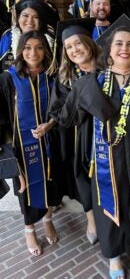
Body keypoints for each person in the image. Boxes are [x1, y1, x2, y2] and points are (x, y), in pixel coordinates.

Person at [50, 14, 130, 279]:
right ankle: (114, 257)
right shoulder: (92, 82)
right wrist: (75, 94)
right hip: (105, 162)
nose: (124, 49)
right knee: (108, 209)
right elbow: (66, 118)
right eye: (118, 43)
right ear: (108, 50)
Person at [0, 30, 60, 257]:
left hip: (50, 142)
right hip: (20, 148)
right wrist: (9, 154)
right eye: (27, 48)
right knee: (25, 189)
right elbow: (2, 119)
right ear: (20, 51)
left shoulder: (51, 76)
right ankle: (29, 229)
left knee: (51, 181)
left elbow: (61, 109)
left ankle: (47, 219)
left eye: (38, 47)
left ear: (46, 50)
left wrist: (50, 125)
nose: (32, 52)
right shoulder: (8, 78)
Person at [48, 17, 100, 245]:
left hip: (107, 132)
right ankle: (91, 218)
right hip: (79, 137)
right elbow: (59, 113)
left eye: (78, 43)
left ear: (89, 42)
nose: (74, 50)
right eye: (68, 47)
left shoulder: (109, 68)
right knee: (83, 176)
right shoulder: (65, 78)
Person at [0, 0, 57, 73]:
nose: (30, 21)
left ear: (41, 21)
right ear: (18, 18)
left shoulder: (52, 40)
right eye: (25, 16)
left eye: (36, 17)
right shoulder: (8, 37)